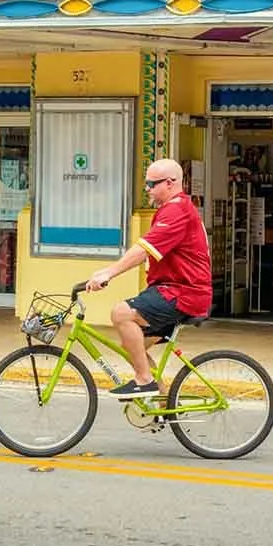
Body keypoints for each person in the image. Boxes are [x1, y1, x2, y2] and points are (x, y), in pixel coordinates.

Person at [84, 158, 212, 399]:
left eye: (152, 184)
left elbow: (144, 248)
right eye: (147, 184)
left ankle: (144, 381)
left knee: (121, 313)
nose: (148, 190)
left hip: (183, 292)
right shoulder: (174, 208)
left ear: (171, 183)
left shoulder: (177, 210)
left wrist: (108, 272)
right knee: (134, 348)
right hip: (172, 290)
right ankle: (163, 403)